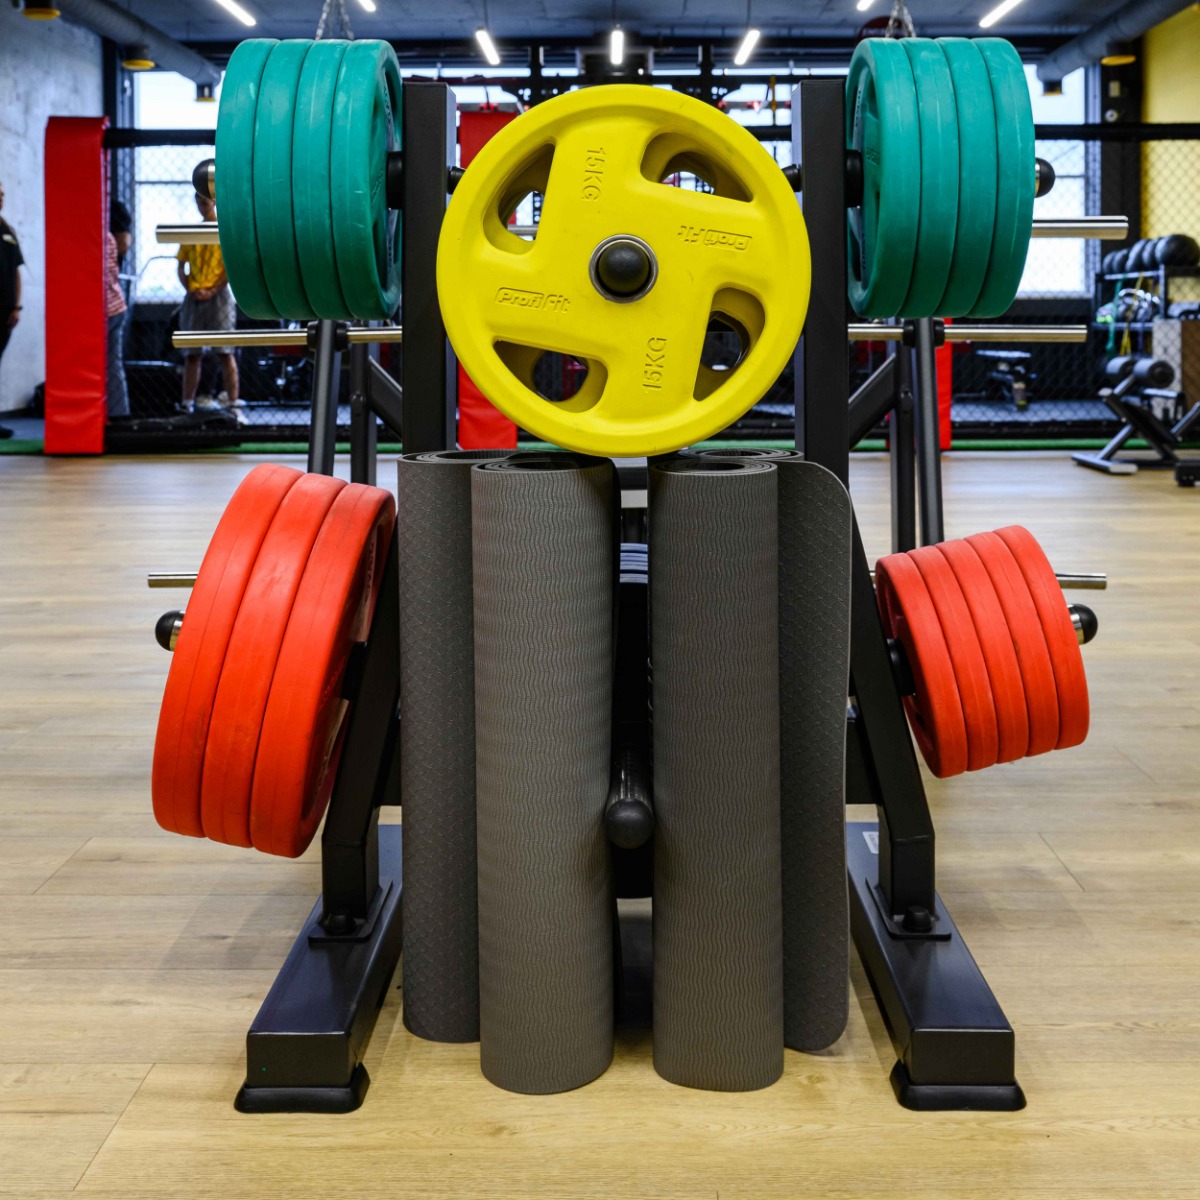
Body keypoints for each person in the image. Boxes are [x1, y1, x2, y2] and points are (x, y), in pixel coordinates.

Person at [176, 192, 239, 410]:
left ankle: (233, 403)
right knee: (192, 353)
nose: (202, 207)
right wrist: (191, 289)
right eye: (199, 203)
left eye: (205, 203)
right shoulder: (193, 232)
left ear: (214, 202)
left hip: (218, 296)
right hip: (195, 295)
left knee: (225, 351)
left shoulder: (225, 231)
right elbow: (181, 266)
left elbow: (230, 267)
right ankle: (187, 403)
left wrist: (213, 290)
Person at [0, 179, 24, 439]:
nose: (1, 199)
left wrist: (16, 306)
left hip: (5, 312)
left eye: (3, 194)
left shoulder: (8, 230)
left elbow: (17, 271)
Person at [104, 228, 129, 419]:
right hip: (115, 304)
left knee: (109, 364)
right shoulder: (107, 236)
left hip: (106, 308)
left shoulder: (99, 238)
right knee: (113, 364)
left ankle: (115, 414)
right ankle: (118, 414)